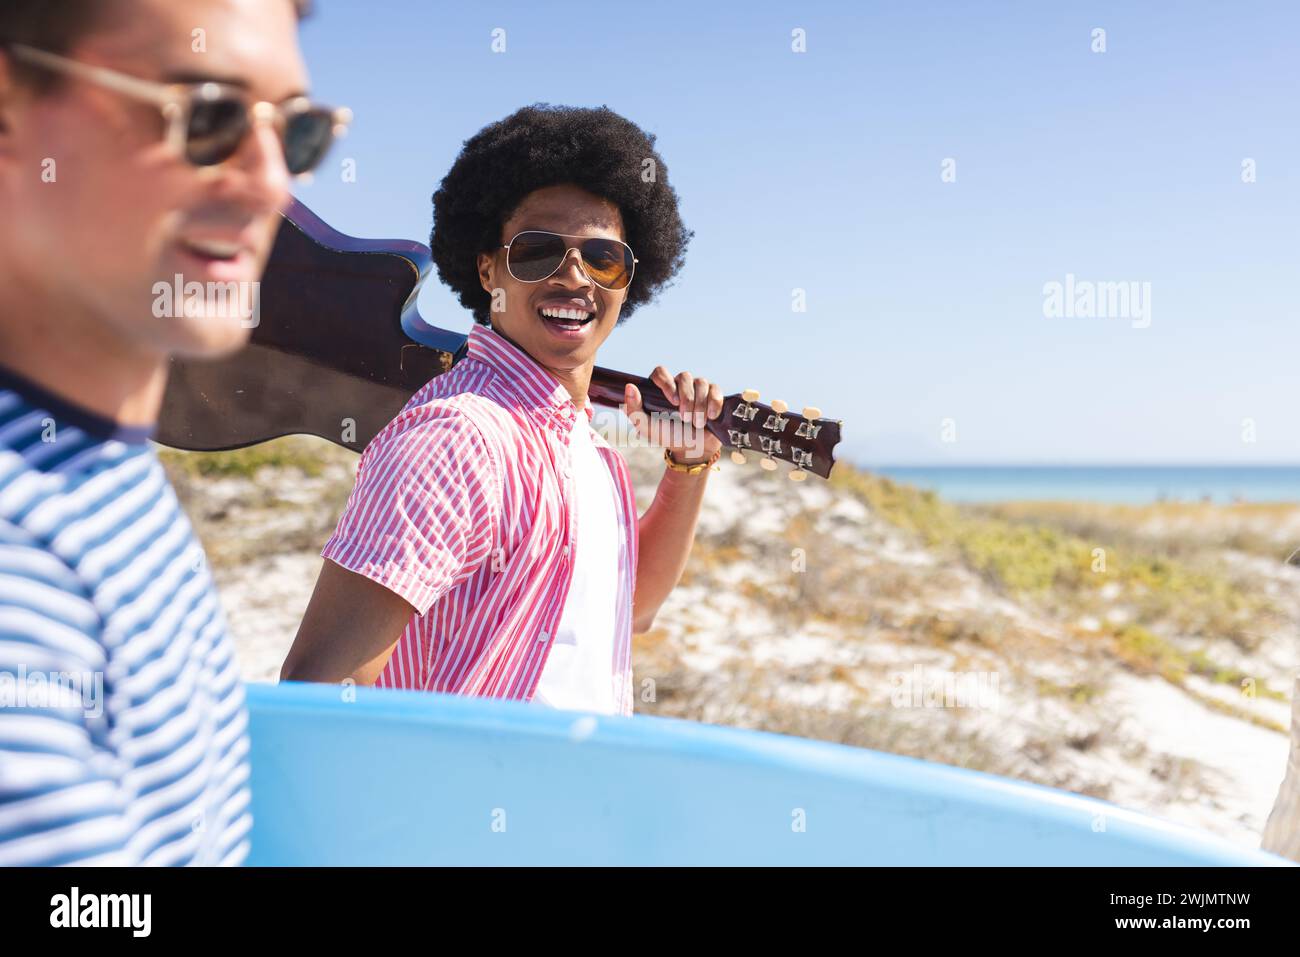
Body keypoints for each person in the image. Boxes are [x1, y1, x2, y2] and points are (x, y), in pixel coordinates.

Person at [0, 0, 347, 864]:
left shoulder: (87, 474)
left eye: (297, 133)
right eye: (208, 114)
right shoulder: (20, 555)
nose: (272, 181)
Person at [281, 105, 717, 716]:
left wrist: (688, 468)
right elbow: (323, 689)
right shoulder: (456, 437)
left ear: (627, 280)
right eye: (537, 252)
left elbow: (630, 610)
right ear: (488, 270)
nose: (575, 276)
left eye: (603, 258)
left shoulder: (594, 454)